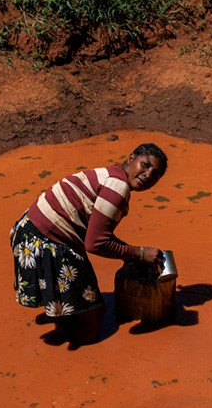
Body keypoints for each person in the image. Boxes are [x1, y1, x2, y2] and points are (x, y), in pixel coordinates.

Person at [10, 143, 167, 348]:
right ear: (131, 159)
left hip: (27, 230)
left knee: (74, 303)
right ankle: (81, 364)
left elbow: (98, 235)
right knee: (93, 314)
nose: (148, 174)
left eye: (155, 174)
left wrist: (130, 253)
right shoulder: (117, 188)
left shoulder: (110, 174)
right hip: (49, 243)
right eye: (145, 165)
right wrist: (139, 253)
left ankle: (65, 327)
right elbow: (95, 243)